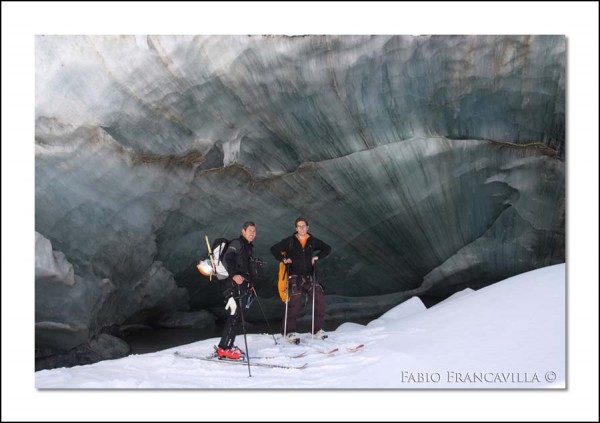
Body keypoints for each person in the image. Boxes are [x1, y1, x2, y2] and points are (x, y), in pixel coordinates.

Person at [270, 217, 331, 343]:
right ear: (296, 228)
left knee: (320, 300)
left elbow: (327, 248)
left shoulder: (312, 241)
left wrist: (317, 257)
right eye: (299, 226)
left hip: (309, 277)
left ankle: (316, 329)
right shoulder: (290, 241)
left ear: (307, 227)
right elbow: (274, 249)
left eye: (303, 226)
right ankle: (288, 332)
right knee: (294, 304)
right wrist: (284, 259)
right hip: (295, 277)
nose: (301, 228)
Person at [216, 221, 257, 360]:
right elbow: (228, 258)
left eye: (254, 231)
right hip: (233, 286)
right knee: (234, 316)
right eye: (250, 230)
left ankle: (228, 345)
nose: (252, 233)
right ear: (243, 231)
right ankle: (224, 348)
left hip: (242, 285)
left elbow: (246, 268)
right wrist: (234, 275)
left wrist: (250, 283)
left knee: (237, 316)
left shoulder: (248, 247)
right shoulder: (237, 243)